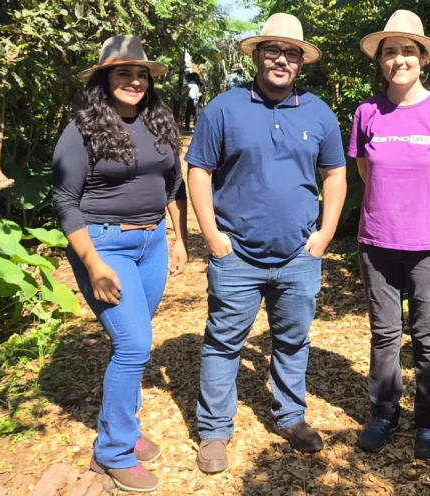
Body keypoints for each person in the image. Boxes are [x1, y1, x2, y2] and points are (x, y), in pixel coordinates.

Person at [184, 12, 347, 474]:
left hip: (299, 255)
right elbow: (199, 170)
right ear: (256, 56)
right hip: (236, 254)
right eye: (272, 50)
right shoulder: (224, 108)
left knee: (292, 341)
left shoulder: (317, 112)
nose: (280, 59)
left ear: (300, 62)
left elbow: (335, 174)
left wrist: (326, 233)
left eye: (290, 53)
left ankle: (291, 418)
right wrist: (212, 237)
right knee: (223, 342)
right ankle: (214, 430)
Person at [51, 35, 189, 492]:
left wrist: (179, 239)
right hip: (104, 245)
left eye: (141, 74)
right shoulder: (81, 128)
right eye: (123, 72)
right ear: (104, 78)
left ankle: (122, 429)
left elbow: (174, 185)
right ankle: (111, 453)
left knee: (133, 344)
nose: (134, 80)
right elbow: (66, 201)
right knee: (134, 346)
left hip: (151, 243)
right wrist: (93, 265)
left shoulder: (157, 120)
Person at [348, 10, 430, 460]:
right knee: (383, 334)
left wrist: (423, 203)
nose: (399, 59)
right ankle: (384, 413)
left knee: (428, 336)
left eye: (407, 51)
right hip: (378, 241)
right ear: (381, 61)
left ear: (423, 59)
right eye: (390, 52)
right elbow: (365, 169)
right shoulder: (367, 113)